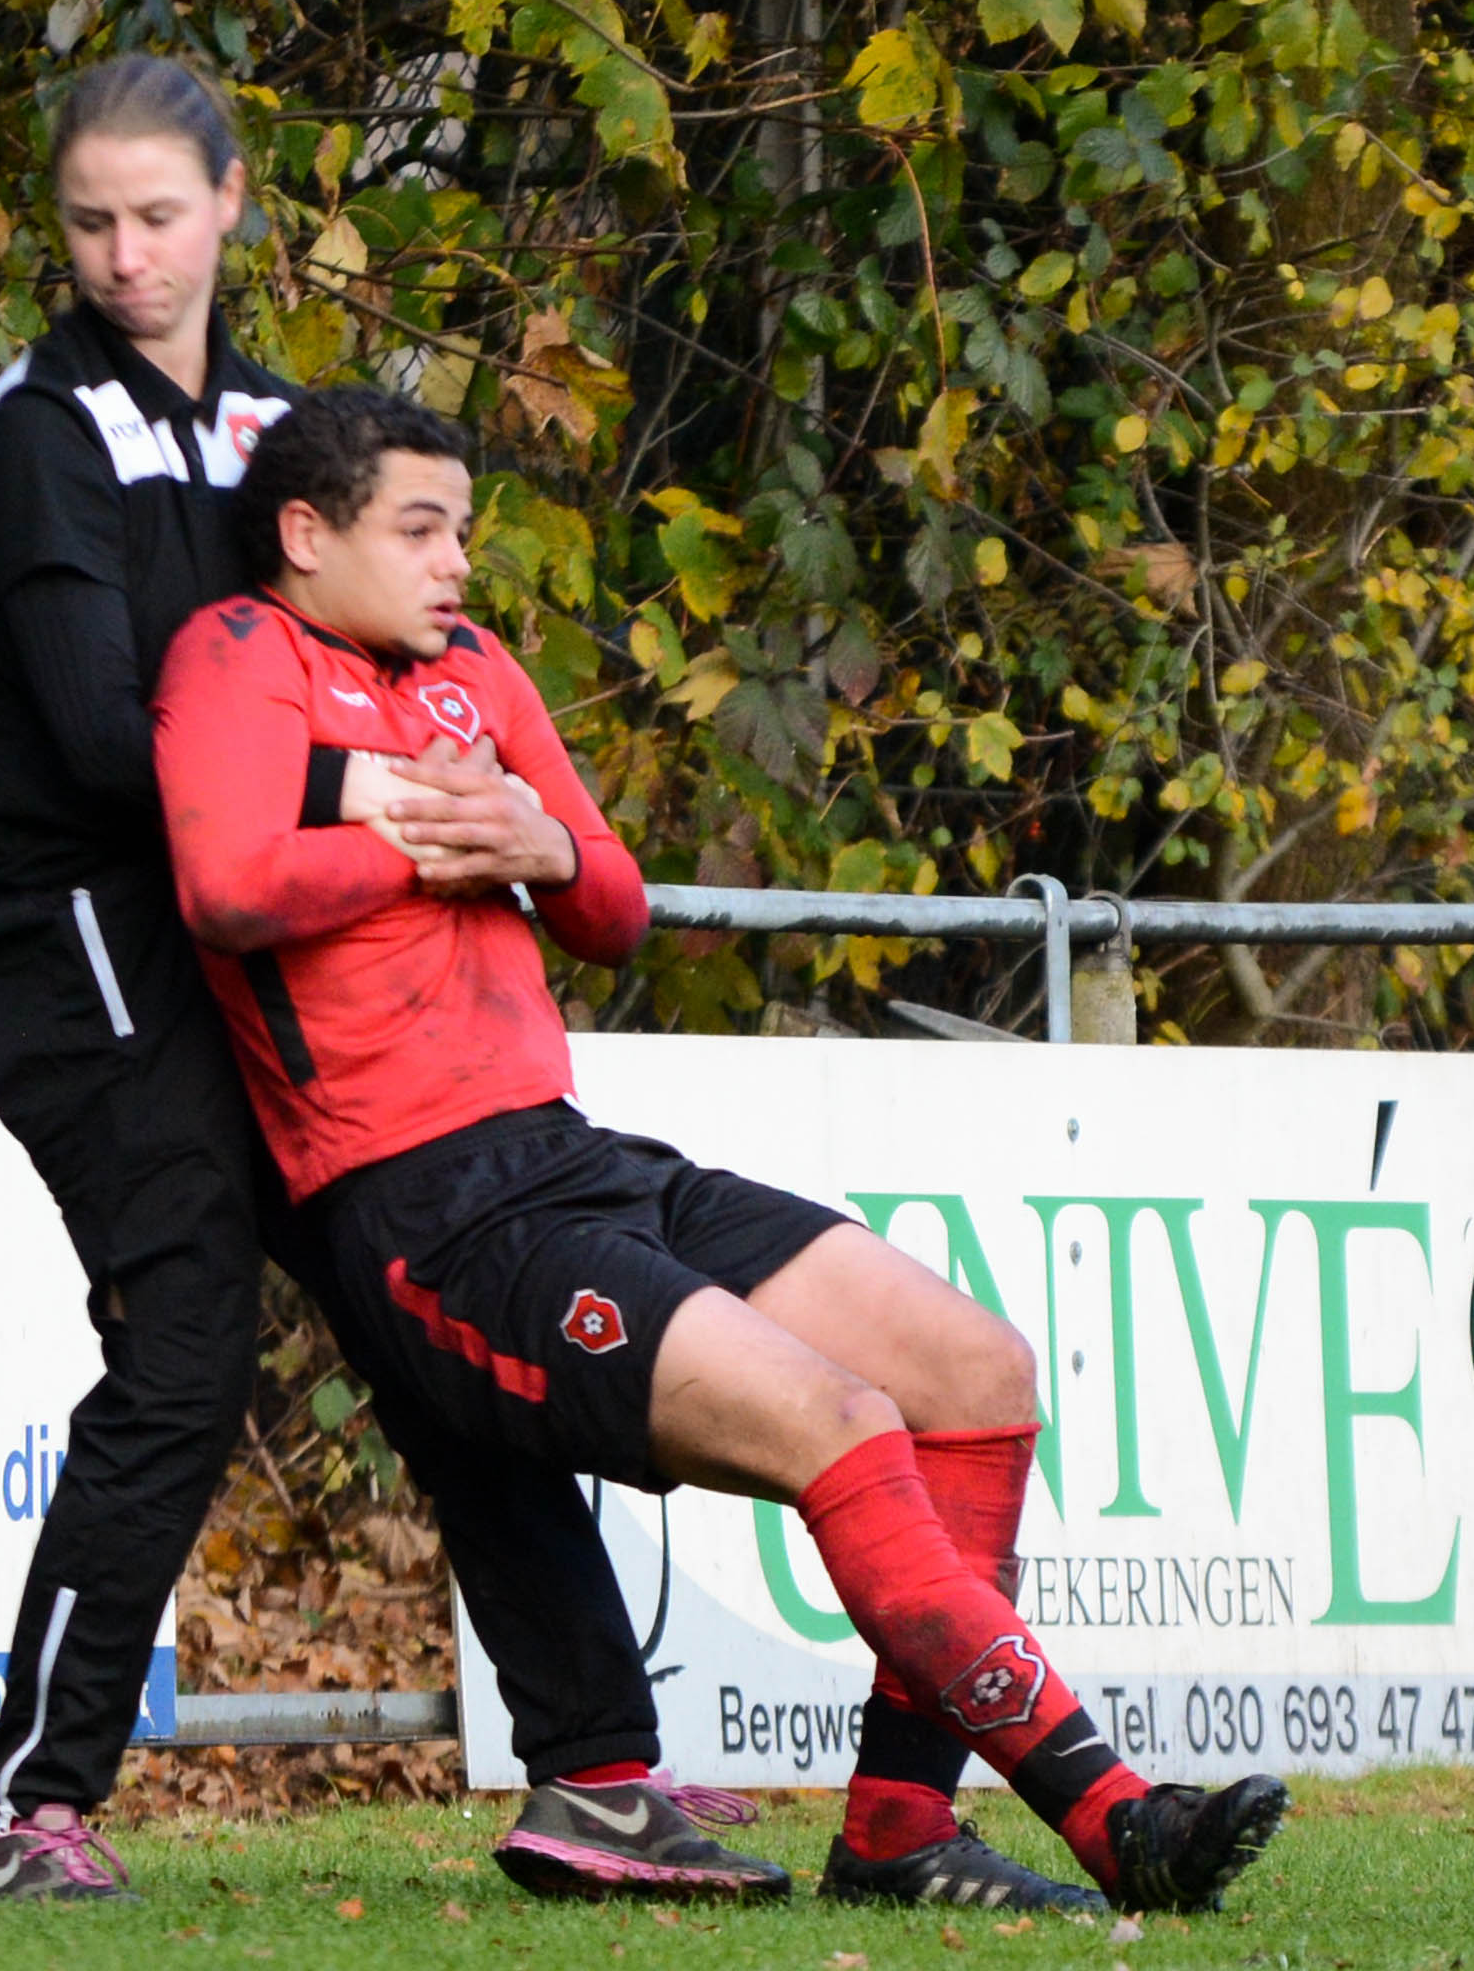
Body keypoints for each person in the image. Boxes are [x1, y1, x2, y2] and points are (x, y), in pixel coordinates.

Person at [151, 386, 1293, 1914]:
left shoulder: (476, 674)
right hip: (430, 1208)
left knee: (975, 1373)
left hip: (577, 1154)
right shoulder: (238, 655)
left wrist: (545, 847)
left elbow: (614, 906)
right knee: (835, 1419)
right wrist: (425, 839)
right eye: (418, 530)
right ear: (305, 535)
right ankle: (1113, 1817)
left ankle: (898, 1832)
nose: (457, 565)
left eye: (466, 532)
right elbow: (225, 885)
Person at [0, 54, 778, 1901]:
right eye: (90, 222)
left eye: (161, 215)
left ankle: (596, 1783)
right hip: (84, 944)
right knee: (186, 1346)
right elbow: (97, 738)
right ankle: (26, 1811)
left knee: (429, 1341)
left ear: (234, 203)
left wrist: (474, 811)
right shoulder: (38, 430)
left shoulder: (277, 432)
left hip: (261, 936)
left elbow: (372, 663)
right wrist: (394, 794)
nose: (126, 256)